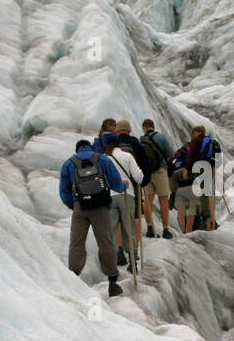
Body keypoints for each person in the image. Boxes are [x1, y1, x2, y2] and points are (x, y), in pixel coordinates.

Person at [59, 138, 125, 296]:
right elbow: (116, 183)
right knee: (105, 242)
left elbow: (64, 191)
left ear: (77, 149)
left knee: (76, 243)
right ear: (90, 147)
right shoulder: (102, 159)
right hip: (101, 208)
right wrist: (124, 186)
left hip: (80, 208)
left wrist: (74, 204)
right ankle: (112, 283)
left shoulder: (69, 163)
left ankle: (74, 277)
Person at [102, 133, 144, 273]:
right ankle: (133, 261)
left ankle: (113, 263)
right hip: (127, 195)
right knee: (129, 227)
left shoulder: (104, 159)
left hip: (110, 196)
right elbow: (138, 177)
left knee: (112, 229)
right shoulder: (127, 156)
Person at [139, 119, 175, 238]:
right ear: (153, 127)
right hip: (160, 171)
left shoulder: (141, 140)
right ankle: (165, 230)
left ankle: (150, 228)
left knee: (148, 201)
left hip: (147, 174)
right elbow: (170, 154)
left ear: (144, 127)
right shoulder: (161, 137)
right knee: (163, 201)